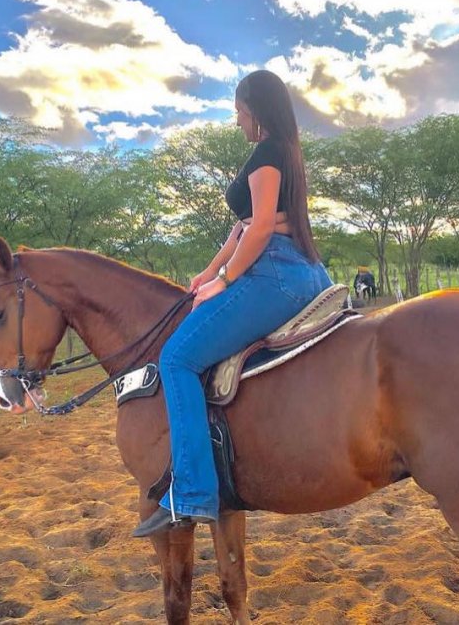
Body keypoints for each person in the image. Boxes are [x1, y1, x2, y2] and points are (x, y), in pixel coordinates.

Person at [133, 69, 333, 538]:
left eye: (240, 111)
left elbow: (261, 228)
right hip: (300, 267)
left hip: (275, 272)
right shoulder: (282, 152)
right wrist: (207, 273)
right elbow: (242, 229)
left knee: (177, 358)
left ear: (256, 110)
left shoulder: (266, 154)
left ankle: (195, 492)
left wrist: (225, 280)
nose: (237, 119)